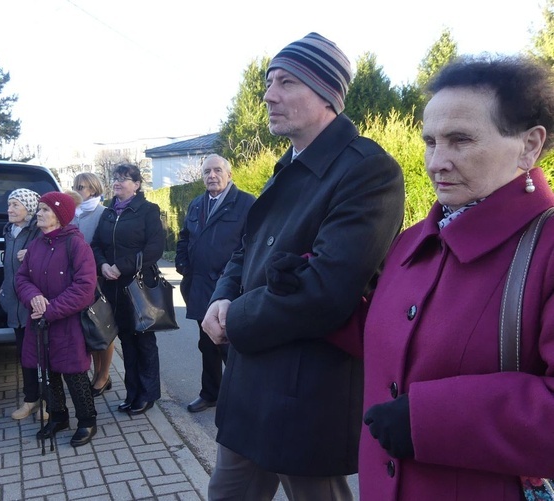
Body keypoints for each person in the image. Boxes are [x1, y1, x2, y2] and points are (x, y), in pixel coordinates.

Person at [200, 33, 405, 500]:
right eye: (269, 82)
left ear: (328, 95)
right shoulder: (287, 165)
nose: (269, 95)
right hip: (250, 385)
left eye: (287, 82)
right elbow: (246, 249)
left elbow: (326, 292)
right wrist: (221, 297)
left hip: (305, 390)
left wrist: (236, 318)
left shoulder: (368, 171)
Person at [350, 56, 554, 500]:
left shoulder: (548, 247)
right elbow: (395, 345)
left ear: (529, 145)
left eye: (460, 140)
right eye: (429, 141)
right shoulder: (410, 243)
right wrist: (317, 302)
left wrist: (428, 420)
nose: (435, 162)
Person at [15, 191, 98, 447]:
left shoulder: (77, 245)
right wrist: (34, 298)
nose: (38, 214)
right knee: (47, 372)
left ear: (60, 216)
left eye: (45, 210)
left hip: (67, 323)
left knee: (74, 373)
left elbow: (84, 287)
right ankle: (58, 416)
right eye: (38, 209)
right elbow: (22, 278)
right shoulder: (37, 245)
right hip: (40, 323)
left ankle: (87, 421)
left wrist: (50, 310)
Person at [175, 154, 255, 413]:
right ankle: (210, 393)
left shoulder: (246, 203)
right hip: (199, 287)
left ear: (229, 174)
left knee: (231, 349)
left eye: (217, 170)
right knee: (206, 344)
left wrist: (231, 278)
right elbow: (184, 237)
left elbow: (251, 245)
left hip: (229, 289)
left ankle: (242, 401)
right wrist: (182, 264)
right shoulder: (197, 204)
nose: (212, 175)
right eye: (207, 171)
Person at [91, 163, 165, 415]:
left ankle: (148, 394)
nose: (117, 182)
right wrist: (102, 265)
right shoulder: (109, 211)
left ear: (137, 184)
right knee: (125, 340)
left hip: (138, 285)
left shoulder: (148, 210)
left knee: (143, 340)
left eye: (124, 179)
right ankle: (132, 393)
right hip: (113, 286)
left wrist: (121, 266)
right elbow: (95, 244)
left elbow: (155, 249)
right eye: (115, 178)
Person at [0, 188, 48, 421]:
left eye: (15, 205)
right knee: (25, 355)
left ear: (29, 208)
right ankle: (31, 399)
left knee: (45, 354)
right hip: (15, 304)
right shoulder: (9, 231)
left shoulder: (39, 231)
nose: (9, 209)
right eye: (9, 204)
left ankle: (50, 400)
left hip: (35, 305)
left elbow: (52, 254)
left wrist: (33, 253)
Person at [71, 172, 113, 397]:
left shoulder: (103, 213)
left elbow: (105, 246)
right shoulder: (71, 214)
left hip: (98, 280)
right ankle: (97, 374)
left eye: (83, 187)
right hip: (75, 282)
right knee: (89, 330)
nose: (78, 190)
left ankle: (104, 375)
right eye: (76, 186)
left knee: (102, 328)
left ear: (94, 189)